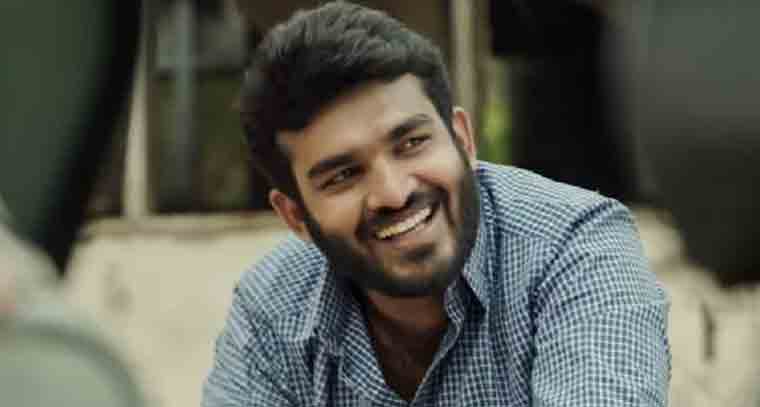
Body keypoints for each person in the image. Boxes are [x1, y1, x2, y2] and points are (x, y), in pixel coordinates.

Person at [203, 2, 671, 405]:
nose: (394, 193)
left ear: (463, 139)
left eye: (411, 143)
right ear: (295, 216)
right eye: (343, 175)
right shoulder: (274, 306)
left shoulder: (574, 248)